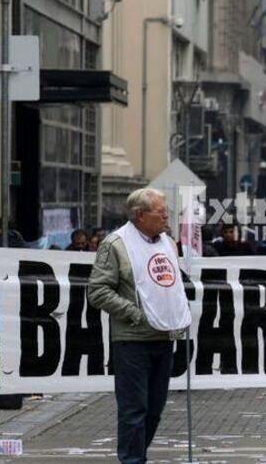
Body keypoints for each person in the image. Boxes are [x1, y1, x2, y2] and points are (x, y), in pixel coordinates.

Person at [88, 188, 191, 464]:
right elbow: (97, 291)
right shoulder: (115, 245)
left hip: (164, 336)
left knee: (154, 410)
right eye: (160, 212)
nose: (166, 216)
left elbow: (170, 284)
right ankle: (132, 460)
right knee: (135, 410)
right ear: (140, 215)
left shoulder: (168, 243)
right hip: (132, 340)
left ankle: (137, 455)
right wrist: (134, 314)